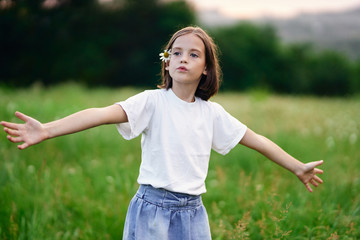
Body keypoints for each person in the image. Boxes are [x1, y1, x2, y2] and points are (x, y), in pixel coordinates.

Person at [1, 26, 323, 240]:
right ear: (167, 63)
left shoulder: (212, 114)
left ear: (207, 68)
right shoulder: (151, 103)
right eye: (176, 52)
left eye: (193, 54)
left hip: (194, 214)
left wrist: (297, 166)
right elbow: (99, 114)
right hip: (151, 210)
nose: (183, 58)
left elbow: (257, 141)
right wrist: (46, 129)